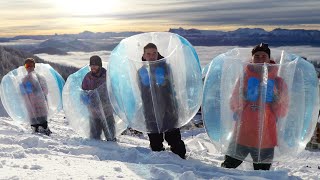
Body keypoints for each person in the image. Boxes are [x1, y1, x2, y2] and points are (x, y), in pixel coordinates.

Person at [221, 43, 289, 170]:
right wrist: (243, 98)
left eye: (264, 56)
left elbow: (282, 111)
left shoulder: (279, 82)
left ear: (269, 59)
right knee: (227, 169)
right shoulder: (244, 78)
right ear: (252, 59)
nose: (260, 58)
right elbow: (233, 103)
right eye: (256, 56)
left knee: (262, 175)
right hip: (242, 134)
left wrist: (276, 100)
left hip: (266, 137)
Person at [137, 43, 186, 159]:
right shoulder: (141, 71)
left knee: (174, 138)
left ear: (157, 53)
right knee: (155, 141)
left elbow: (172, 86)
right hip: (150, 110)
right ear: (144, 55)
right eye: (148, 53)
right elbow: (141, 91)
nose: (152, 56)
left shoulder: (165, 67)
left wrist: (163, 82)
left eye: (154, 53)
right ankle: (160, 163)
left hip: (168, 108)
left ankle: (182, 160)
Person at [81, 55, 116, 141]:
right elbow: (83, 91)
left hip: (107, 113)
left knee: (111, 139)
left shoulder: (107, 76)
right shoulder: (87, 77)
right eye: (91, 65)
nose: (93, 67)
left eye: (95, 65)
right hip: (94, 114)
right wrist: (85, 98)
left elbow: (113, 91)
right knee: (94, 139)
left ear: (100, 65)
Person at [20, 58, 51, 135]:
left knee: (43, 125)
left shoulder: (40, 77)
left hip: (41, 106)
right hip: (31, 107)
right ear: (25, 67)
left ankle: (46, 137)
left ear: (34, 66)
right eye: (27, 65)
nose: (29, 67)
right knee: (34, 128)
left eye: (31, 65)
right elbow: (23, 94)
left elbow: (45, 91)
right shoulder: (24, 80)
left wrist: (36, 91)